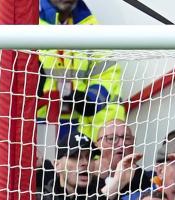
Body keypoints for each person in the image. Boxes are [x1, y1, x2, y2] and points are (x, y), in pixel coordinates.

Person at [38, 0, 126, 142]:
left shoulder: (90, 26)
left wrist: (91, 100)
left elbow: (107, 75)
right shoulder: (23, 22)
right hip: (35, 128)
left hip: (79, 134)